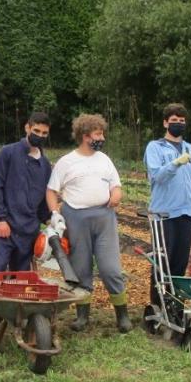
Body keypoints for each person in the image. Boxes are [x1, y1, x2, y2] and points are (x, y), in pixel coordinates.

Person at [45, 113, 131, 333]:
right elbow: (51, 191)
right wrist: (55, 213)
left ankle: (122, 315)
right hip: (76, 218)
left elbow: (116, 185)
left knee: (110, 268)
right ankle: (82, 316)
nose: (101, 137)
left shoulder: (105, 160)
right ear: (85, 136)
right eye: (98, 134)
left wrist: (116, 194)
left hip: (104, 218)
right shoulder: (67, 162)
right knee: (81, 268)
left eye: (101, 133)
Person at [0, 112, 54, 337]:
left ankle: (17, 316)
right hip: (5, 228)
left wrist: (50, 221)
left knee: (21, 278)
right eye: (36, 131)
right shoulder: (8, 153)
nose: (39, 135)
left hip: (28, 230)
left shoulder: (45, 165)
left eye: (44, 133)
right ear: (27, 128)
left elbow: (41, 203)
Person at [144, 103, 191, 333]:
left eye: (182, 119)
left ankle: (176, 308)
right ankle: (157, 309)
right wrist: (176, 163)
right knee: (162, 263)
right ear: (165, 122)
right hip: (163, 214)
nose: (178, 123)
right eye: (174, 119)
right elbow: (157, 176)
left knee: (179, 265)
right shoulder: (155, 147)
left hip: (186, 214)